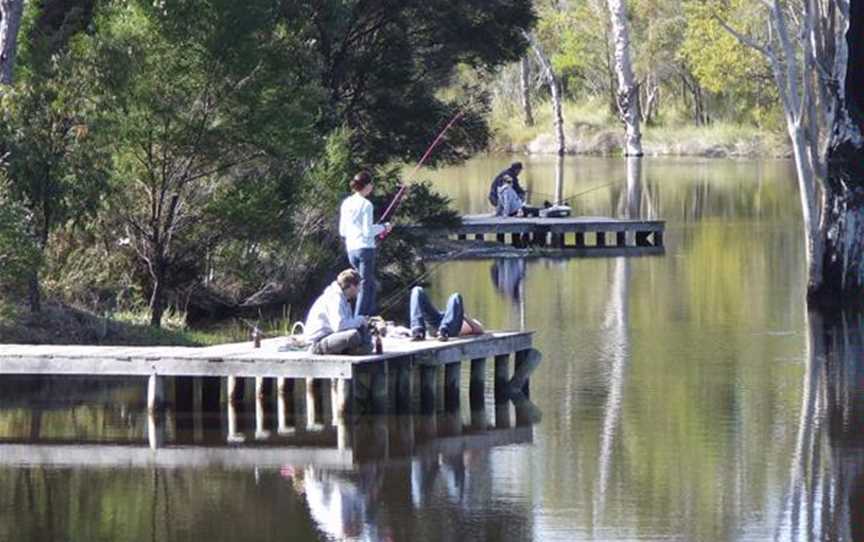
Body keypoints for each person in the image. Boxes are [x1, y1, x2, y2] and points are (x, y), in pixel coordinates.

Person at [339, 171, 393, 317]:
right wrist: (384, 227)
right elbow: (368, 232)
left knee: (370, 286)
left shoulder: (346, 203)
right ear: (367, 186)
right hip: (365, 251)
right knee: (364, 286)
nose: (372, 187)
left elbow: (343, 231)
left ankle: (367, 318)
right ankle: (358, 321)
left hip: (351, 250)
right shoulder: (366, 204)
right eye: (371, 184)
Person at [304, 269, 372, 355]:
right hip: (317, 343)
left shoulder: (345, 299)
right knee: (353, 336)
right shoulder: (335, 298)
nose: (359, 290)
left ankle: (348, 350)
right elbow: (339, 326)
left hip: (331, 337)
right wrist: (360, 320)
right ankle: (349, 350)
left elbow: (347, 324)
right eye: (359, 286)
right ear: (351, 286)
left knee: (366, 338)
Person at [409, 286, 485, 342]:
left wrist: (463, 316)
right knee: (417, 290)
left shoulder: (467, 321)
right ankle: (417, 331)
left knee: (456, 296)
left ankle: (443, 332)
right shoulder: (447, 314)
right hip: (439, 320)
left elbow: (480, 330)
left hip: (450, 329)